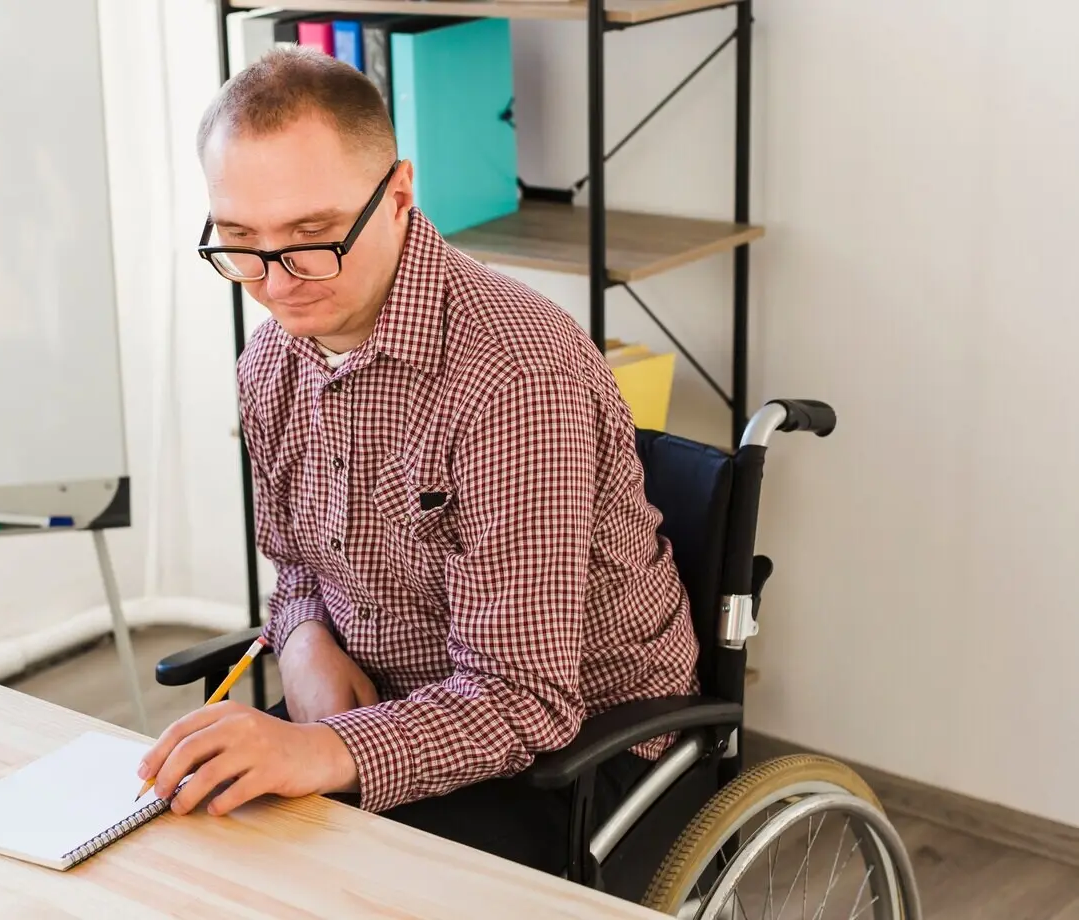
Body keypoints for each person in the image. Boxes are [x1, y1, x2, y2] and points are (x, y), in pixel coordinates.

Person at [137, 46, 699, 875]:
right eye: (241, 241)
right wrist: (303, 640)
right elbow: (299, 566)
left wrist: (321, 750)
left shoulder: (514, 377)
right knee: (189, 850)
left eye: (313, 236)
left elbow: (525, 700)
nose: (277, 283)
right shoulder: (271, 363)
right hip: (383, 703)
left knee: (301, 880)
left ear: (399, 195)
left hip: (581, 752)